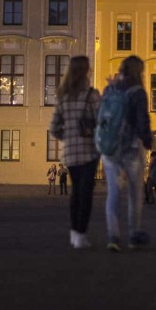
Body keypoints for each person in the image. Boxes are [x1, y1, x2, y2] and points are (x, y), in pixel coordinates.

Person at [98, 55, 153, 251]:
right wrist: (148, 140)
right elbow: (142, 120)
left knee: (113, 192)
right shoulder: (138, 91)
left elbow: (102, 116)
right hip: (130, 148)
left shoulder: (110, 89)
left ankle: (113, 237)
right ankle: (133, 234)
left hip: (110, 148)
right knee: (134, 193)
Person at [49, 55, 102, 249]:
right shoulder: (91, 95)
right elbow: (102, 120)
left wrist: (69, 136)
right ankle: (81, 233)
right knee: (85, 194)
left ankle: (74, 233)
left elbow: (54, 128)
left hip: (70, 153)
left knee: (75, 193)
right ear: (86, 71)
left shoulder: (63, 97)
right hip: (89, 151)